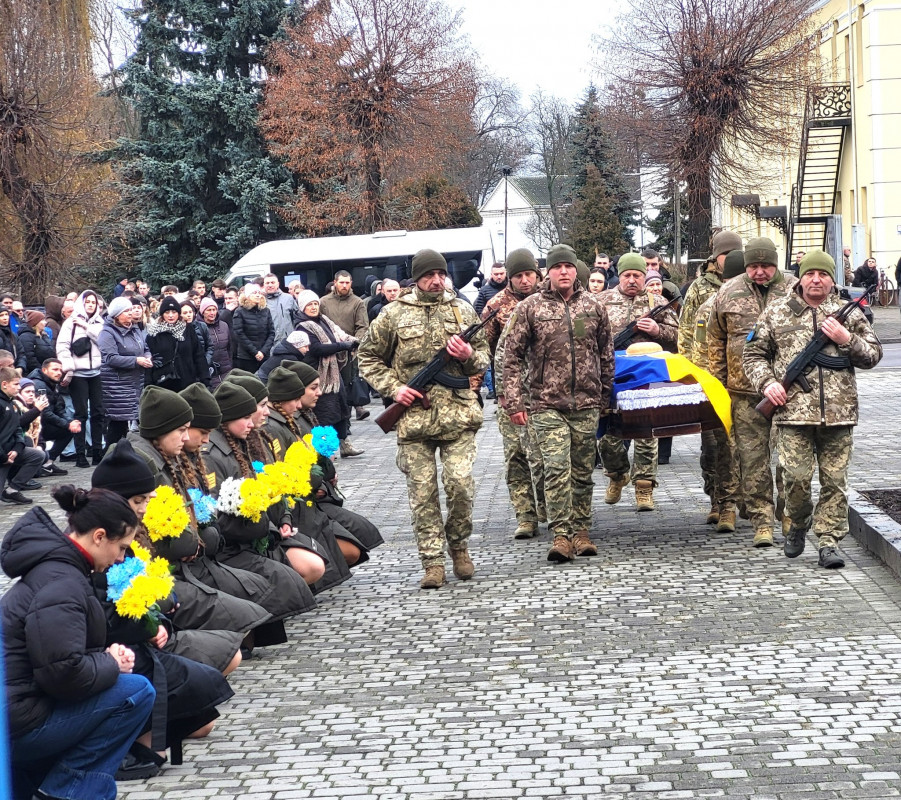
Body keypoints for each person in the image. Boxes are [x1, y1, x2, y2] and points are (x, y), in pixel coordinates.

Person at [2, 484, 156, 800]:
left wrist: (103, 657)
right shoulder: (62, 583)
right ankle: (65, 791)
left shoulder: (60, 571)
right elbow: (64, 673)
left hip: (17, 712)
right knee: (136, 691)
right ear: (99, 536)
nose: (120, 558)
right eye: (122, 547)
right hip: (17, 724)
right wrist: (111, 663)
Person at [359, 248, 489, 589]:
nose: (435, 280)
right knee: (423, 495)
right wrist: (395, 389)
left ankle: (459, 546)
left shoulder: (462, 310)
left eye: (440, 274)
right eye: (428, 275)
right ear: (416, 278)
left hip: (459, 416)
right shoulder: (392, 314)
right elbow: (367, 357)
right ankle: (432, 562)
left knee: (461, 486)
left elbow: (486, 356)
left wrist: (470, 355)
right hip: (415, 421)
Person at [743, 250, 883, 568]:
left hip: (839, 413)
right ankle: (798, 523)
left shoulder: (849, 313)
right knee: (794, 479)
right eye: (810, 274)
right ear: (800, 277)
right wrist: (768, 384)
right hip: (792, 413)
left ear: (832, 278)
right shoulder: (778, 312)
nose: (816, 279)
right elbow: (752, 355)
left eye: (822, 274)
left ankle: (829, 542)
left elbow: (873, 355)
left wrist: (847, 339)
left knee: (835, 483)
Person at [503, 243, 614, 563]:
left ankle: (582, 531)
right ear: (547, 272)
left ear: (574, 269)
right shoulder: (530, 308)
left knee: (582, 471)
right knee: (555, 468)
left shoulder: (593, 306)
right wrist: (515, 402)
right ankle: (561, 534)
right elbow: (511, 358)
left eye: (568, 266)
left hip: (586, 403)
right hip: (545, 403)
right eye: (557, 267)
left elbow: (605, 354)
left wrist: (604, 396)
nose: (563, 272)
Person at [708, 237, 797, 548]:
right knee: (752, 460)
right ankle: (762, 521)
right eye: (754, 266)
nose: (760, 272)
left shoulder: (793, 289)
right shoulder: (728, 292)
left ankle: (787, 512)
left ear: (776, 264)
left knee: (790, 458)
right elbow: (715, 341)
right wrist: (719, 382)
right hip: (744, 392)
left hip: (790, 390)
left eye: (766, 265)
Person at [202, 381, 319, 610]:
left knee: (312, 564)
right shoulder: (213, 455)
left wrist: (281, 520)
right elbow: (216, 512)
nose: (252, 421)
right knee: (294, 580)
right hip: (235, 544)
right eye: (245, 417)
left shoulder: (244, 441)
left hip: (260, 532)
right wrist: (262, 528)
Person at [596, 252, 679, 511]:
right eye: (627, 275)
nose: (632, 280)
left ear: (645, 276)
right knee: (607, 434)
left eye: (638, 275)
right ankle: (617, 473)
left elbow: (680, 336)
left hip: (645, 376)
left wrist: (657, 331)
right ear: (618, 276)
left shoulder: (658, 302)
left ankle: (644, 487)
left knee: (646, 432)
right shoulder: (601, 301)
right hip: (611, 375)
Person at [677, 230, 742, 525]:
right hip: (708, 377)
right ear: (715, 256)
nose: (728, 259)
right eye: (724, 253)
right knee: (712, 445)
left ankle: (737, 499)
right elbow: (687, 332)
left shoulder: (748, 284)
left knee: (740, 446)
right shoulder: (700, 288)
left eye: (734, 253)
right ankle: (716, 498)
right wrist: (690, 373)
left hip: (741, 379)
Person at [481, 248, 546, 540]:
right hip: (511, 390)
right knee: (516, 456)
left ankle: (548, 507)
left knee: (545, 456)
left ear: (537, 273)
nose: (524, 280)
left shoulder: (550, 299)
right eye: (518, 275)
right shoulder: (496, 305)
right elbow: (486, 349)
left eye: (528, 274)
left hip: (545, 391)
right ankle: (525, 515)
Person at [294, 290, 360, 456]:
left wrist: (352, 341)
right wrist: (343, 346)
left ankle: (345, 444)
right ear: (303, 307)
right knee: (325, 414)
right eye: (309, 305)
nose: (313, 307)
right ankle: (323, 450)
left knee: (342, 409)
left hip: (335, 374)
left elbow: (339, 334)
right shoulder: (303, 326)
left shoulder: (324, 320)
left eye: (315, 303)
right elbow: (317, 348)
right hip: (319, 374)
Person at [57, 289, 106, 467]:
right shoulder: (70, 323)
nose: (91, 305)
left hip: (97, 373)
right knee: (81, 414)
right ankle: (80, 454)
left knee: (99, 412)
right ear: (82, 304)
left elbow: (103, 340)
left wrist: (86, 327)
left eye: (93, 302)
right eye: (88, 302)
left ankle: (97, 451)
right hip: (78, 374)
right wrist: (68, 367)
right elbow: (62, 346)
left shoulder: (100, 322)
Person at [98, 296, 152, 446]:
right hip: (116, 385)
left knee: (129, 423)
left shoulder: (135, 329)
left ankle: (123, 456)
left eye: (131, 310)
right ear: (117, 314)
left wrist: (147, 357)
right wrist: (136, 361)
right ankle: (110, 457)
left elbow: (145, 348)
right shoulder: (107, 333)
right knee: (118, 423)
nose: (131, 313)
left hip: (134, 383)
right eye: (126, 311)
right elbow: (111, 358)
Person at [318, 270, 370, 422]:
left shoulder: (357, 302)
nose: (344, 285)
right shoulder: (324, 302)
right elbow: (318, 322)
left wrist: (355, 343)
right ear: (335, 283)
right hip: (329, 350)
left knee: (348, 385)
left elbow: (363, 326)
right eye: (341, 282)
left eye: (347, 283)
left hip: (349, 351)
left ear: (351, 283)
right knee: (331, 387)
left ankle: (346, 422)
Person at [146, 296, 210, 391]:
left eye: (174, 312)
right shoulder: (154, 333)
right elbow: (150, 359)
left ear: (178, 313)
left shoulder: (188, 329)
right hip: (164, 383)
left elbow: (198, 354)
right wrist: (148, 383)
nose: (171, 315)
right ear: (162, 314)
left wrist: (205, 378)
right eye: (167, 312)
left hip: (188, 381)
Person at [29, 358, 79, 474]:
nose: (59, 373)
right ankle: (44, 463)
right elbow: (45, 413)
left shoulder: (52, 384)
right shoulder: (38, 385)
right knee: (67, 429)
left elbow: (59, 408)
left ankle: (48, 463)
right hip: (35, 427)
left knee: (69, 429)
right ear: (44, 370)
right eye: (55, 369)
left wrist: (70, 422)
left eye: (60, 370)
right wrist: (67, 424)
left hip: (44, 424)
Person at [231, 284, 275, 372]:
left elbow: (271, 333)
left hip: (264, 355)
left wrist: (263, 351)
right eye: (255, 293)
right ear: (248, 295)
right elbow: (239, 334)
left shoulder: (266, 311)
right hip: (246, 357)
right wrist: (255, 352)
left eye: (259, 292)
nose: (258, 295)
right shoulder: (239, 311)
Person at [200, 297, 233, 387]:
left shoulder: (224, 325)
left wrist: (230, 364)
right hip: (210, 372)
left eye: (214, 309)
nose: (212, 313)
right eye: (209, 310)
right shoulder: (199, 328)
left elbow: (229, 347)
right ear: (203, 312)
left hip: (226, 370)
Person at [262, 273, 298, 344]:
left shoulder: (288, 298)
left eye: (272, 282)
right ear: (264, 285)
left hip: (289, 342)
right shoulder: (261, 301)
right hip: (269, 344)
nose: (270, 285)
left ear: (278, 284)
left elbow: (297, 318)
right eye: (267, 283)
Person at [18, 310, 56, 375]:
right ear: (35, 323)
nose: (45, 322)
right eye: (42, 320)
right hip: (35, 373)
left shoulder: (44, 335)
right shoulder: (26, 336)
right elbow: (30, 358)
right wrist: (42, 371)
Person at [0, 305, 24, 370]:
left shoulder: (13, 335)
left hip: (14, 371)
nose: (5, 318)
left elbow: (21, 354)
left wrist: (20, 367)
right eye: (1, 315)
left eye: (6, 314)